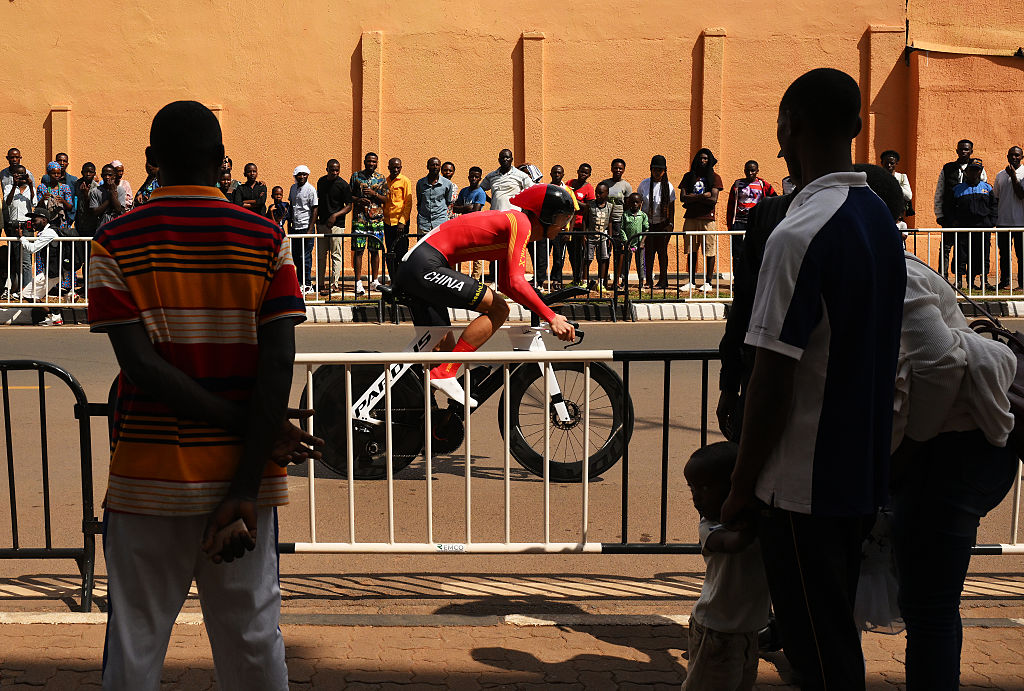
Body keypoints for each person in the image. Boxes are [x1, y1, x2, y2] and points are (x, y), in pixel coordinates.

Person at [88, 100, 319, 690]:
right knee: (252, 642)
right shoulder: (268, 238)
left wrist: (249, 427)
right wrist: (252, 450)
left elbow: (141, 367)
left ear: (149, 162)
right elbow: (278, 364)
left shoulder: (114, 240)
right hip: (244, 483)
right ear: (222, 162)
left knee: (135, 643)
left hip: (147, 479)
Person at [720, 68, 906, 690]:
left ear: (788, 129)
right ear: (856, 130)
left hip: (804, 486)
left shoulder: (798, 234)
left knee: (818, 652)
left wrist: (742, 488)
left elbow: (771, 378)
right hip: (860, 472)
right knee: (832, 636)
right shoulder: (877, 218)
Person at [891, 237, 1017, 690]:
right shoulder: (901, 263)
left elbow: (939, 361)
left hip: (949, 454)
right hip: (965, 451)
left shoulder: (896, 272)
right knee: (932, 603)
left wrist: (909, 449)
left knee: (930, 607)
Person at [393, 183, 577, 407]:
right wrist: (551, 317)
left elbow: (507, 283)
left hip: (418, 266)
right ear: (544, 216)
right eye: (561, 220)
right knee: (499, 309)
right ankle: (446, 373)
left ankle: (419, 413)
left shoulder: (514, 224)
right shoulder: (521, 223)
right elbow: (517, 282)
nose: (563, 228)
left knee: (443, 350)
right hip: (424, 266)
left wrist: (541, 306)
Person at [682, 441, 770, 691]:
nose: (696, 496)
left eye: (706, 487)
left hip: (749, 630)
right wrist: (760, 518)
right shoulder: (710, 527)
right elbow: (734, 543)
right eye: (692, 488)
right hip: (716, 630)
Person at [935, 140, 987, 281]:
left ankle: (967, 279)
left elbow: (984, 190)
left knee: (966, 248)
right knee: (946, 247)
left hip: (969, 217)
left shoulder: (977, 167)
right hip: (949, 215)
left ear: (971, 151)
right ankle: (942, 278)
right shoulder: (948, 168)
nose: (964, 152)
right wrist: (939, 214)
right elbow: (939, 191)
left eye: (967, 150)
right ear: (957, 151)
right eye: (961, 149)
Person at [679, 148, 724, 293]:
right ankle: (691, 281)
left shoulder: (715, 177)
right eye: (700, 158)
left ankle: (708, 282)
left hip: (707, 218)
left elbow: (713, 199)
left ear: (709, 160)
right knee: (691, 250)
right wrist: (702, 196)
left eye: (705, 158)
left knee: (709, 250)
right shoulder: (688, 176)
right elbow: (683, 198)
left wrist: (693, 198)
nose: (702, 161)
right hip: (691, 217)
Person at [949, 158, 996, 290]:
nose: (974, 172)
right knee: (961, 255)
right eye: (972, 170)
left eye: (977, 170)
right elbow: (950, 207)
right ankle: (958, 281)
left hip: (983, 228)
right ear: (966, 171)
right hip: (963, 228)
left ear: (980, 171)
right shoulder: (958, 189)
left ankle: (983, 281)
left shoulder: (987, 188)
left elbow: (994, 206)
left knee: (982, 255)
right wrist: (953, 221)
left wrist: (992, 222)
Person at [725, 160, 776, 272]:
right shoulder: (737, 184)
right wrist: (730, 225)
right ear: (744, 171)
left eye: (752, 170)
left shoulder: (763, 185)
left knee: (756, 251)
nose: (750, 173)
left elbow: (773, 198)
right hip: (739, 222)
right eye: (747, 170)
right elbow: (730, 204)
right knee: (738, 253)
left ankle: (754, 280)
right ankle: (737, 279)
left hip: (756, 223)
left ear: (757, 171)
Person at [350, 152, 387, 296]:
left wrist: (374, 194)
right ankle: (358, 282)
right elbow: (349, 195)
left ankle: (375, 281)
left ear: (377, 163)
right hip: (359, 218)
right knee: (359, 250)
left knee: (375, 250)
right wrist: (358, 200)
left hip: (376, 220)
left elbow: (385, 199)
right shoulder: (356, 176)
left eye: (374, 162)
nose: (371, 164)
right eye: (369, 161)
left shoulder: (381, 178)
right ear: (364, 162)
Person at [19, 207, 63, 323]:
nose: (32, 223)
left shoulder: (49, 232)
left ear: (44, 220)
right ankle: (53, 316)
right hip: (52, 271)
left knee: (27, 293)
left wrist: (22, 237)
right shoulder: (45, 232)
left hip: (53, 272)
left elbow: (32, 248)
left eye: (35, 220)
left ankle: (55, 316)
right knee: (31, 294)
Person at [314, 159, 352, 295]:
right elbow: (319, 201)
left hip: (337, 225)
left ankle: (334, 284)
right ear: (327, 169)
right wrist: (318, 221)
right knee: (321, 255)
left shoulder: (343, 185)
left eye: (337, 170)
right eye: (332, 169)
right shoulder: (321, 182)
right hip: (322, 224)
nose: (334, 172)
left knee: (336, 254)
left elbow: (348, 206)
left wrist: (335, 216)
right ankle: (320, 283)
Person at [638, 155, 675, 290]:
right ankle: (648, 281)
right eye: (655, 169)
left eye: (660, 170)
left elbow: (672, 208)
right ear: (651, 169)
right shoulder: (644, 184)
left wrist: (670, 225)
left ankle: (663, 280)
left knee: (662, 253)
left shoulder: (668, 186)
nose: (657, 172)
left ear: (665, 171)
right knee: (648, 253)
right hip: (648, 224)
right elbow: (639, 204)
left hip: (662, 225)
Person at [992, 145, 1024, 290]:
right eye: (1011, 155)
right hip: (1003, 222)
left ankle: (1022, 284)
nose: (1014, 158)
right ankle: (1005, 282)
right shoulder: (1000, 175)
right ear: (1007, 156)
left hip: (1021, 222)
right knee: (1004, 255)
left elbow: (1021, 194)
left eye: (1017, 155)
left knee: (1021, 255)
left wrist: (1013, 176)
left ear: (1022, 157)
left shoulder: (1023, 174)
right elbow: (996, 198)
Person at [2, 165, 36, 298]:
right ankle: (16, 288)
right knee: (16, 258)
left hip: (27, 225)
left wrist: (31, 185)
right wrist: (15, 186)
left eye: (22, 174)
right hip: (13, 225)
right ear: (13, 175)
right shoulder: (9, 188)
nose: (20, 176)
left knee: (26, 260)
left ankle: (27, 291)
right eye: (17, 174)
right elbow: (8, 202)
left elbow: (34, 203)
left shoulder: (30, 188)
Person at [599, 158, 632, 287]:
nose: (618, 170)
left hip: (619, 222)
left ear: (623, 170)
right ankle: (603, 281)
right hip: (606, 221)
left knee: (620, 252)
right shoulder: (605, 183)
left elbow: (628, 206)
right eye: (615, 167)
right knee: (605, 252)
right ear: (611, 168)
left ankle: (618, 280)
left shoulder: (626, 186)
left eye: (620, 168)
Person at [546, 164, 580, 289]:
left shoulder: (568, 191)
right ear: (550, 174)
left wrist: (569, 231)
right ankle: (541, 280)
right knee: (544, 256)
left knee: (559, 257)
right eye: (554, 172)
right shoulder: (547, 189)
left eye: (559, 173)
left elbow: (574, 211)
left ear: (563, 175)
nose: (556, 175)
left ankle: (557, 280)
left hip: (562, 230)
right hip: (548, 229)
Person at [288, 164, 318, 294]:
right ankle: (299, 281)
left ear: (307, 175)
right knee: (296, 256)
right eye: (299, 174)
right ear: (295, 176)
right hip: (295, 227)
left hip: (306, 227)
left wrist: (311, 228)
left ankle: (307, 284)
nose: (302, 177)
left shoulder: (311, 190)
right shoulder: (293, 188)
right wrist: (289, 224)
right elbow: (291, 206)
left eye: (304, 174)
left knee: (305, 256)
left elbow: (315, 209)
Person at [452, 166, 486, 276]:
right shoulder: (464, 191)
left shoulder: (480, 193)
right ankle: (457, 275)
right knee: (459, 251)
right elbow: (455, 208)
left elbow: (475, 210)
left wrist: (463, 208)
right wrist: (466, 208)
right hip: (463, 225)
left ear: (480, 178)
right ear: (468, 177)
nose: (474, 178)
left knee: (476, 253)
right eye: (472, 176)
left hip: (475, 226)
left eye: (477, 177)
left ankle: (475, 278)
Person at [383, 157, 412, 284]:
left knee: (401, 253)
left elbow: (408, 203)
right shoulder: (385, 181)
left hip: (400, 223)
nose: (395, 169)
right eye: (393, 167)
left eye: (398, 167)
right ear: (388, 167)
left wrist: (402, 221)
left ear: (401, 167)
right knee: (390, 252)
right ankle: (393, 280)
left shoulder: (405, 181)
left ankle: (402, 280)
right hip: (387, 222)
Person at [566, 164, 596, 287]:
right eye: (581, 172)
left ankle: (580, 278)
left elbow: (588, 207)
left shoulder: (589, 188)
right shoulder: (570, 183)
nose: (583, 174)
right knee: (571, 254)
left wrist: (575, 201)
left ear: (589, 175)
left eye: (586, 173)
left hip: (580, 226)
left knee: (580, 254)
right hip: (568, 225)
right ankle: (575, 277)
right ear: (577, 171)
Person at [583, 182, 613, 290]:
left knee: (603, 259)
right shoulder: (590, 205)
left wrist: (610, 236)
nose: (598, 195)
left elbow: (610, 222)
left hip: (603, 237)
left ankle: (600, 282)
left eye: (600, 193)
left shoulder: (610, 207)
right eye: (596, 192)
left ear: (607, 193)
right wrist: (584, 234)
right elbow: (585, 220)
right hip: (591, 236)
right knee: (587, 258)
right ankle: (585, 281)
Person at [615, 192, 648, 290]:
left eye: (637, 202)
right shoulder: (625, 215)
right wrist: (626, 242)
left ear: (641, 203)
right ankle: (624, 282)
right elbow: (622, 229)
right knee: (626, 263)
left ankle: (641, 282)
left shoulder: (642, 216)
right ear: (629, 203)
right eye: (632, 202)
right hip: (628, 243)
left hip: (639, 243)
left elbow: (646, 229)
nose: (635, 204)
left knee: (640, 264)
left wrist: (642, 242)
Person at [416, 157, 455, 234]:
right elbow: (420, 201)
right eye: (432, 165)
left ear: (440, 167)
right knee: (424, 246)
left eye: (437, 165)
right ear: (427, 167)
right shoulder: (420, 183)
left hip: (440, 222)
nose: (435, 167)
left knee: (440, 245)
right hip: (424, 224)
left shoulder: (447, 184)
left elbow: (448, 202)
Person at [36, 161, 74, 231]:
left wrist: (63, 201)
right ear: (48, 174)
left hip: (61, 223)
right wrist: (43, 199)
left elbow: (70, 207)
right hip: (46, 223)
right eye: (53, 173)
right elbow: (38, 208)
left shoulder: (65, 187)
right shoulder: (42, 187)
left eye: (58, 173)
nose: (56, 175)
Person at [880, 150, 912, 220]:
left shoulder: (902, 177)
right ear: (882, 163)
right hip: (880, 213)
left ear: (896, 163)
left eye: (892, 163)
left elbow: (908, 196)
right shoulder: (878, 177)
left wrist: (894, 182)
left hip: (896, 216)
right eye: (886, 163)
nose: (889, 165)